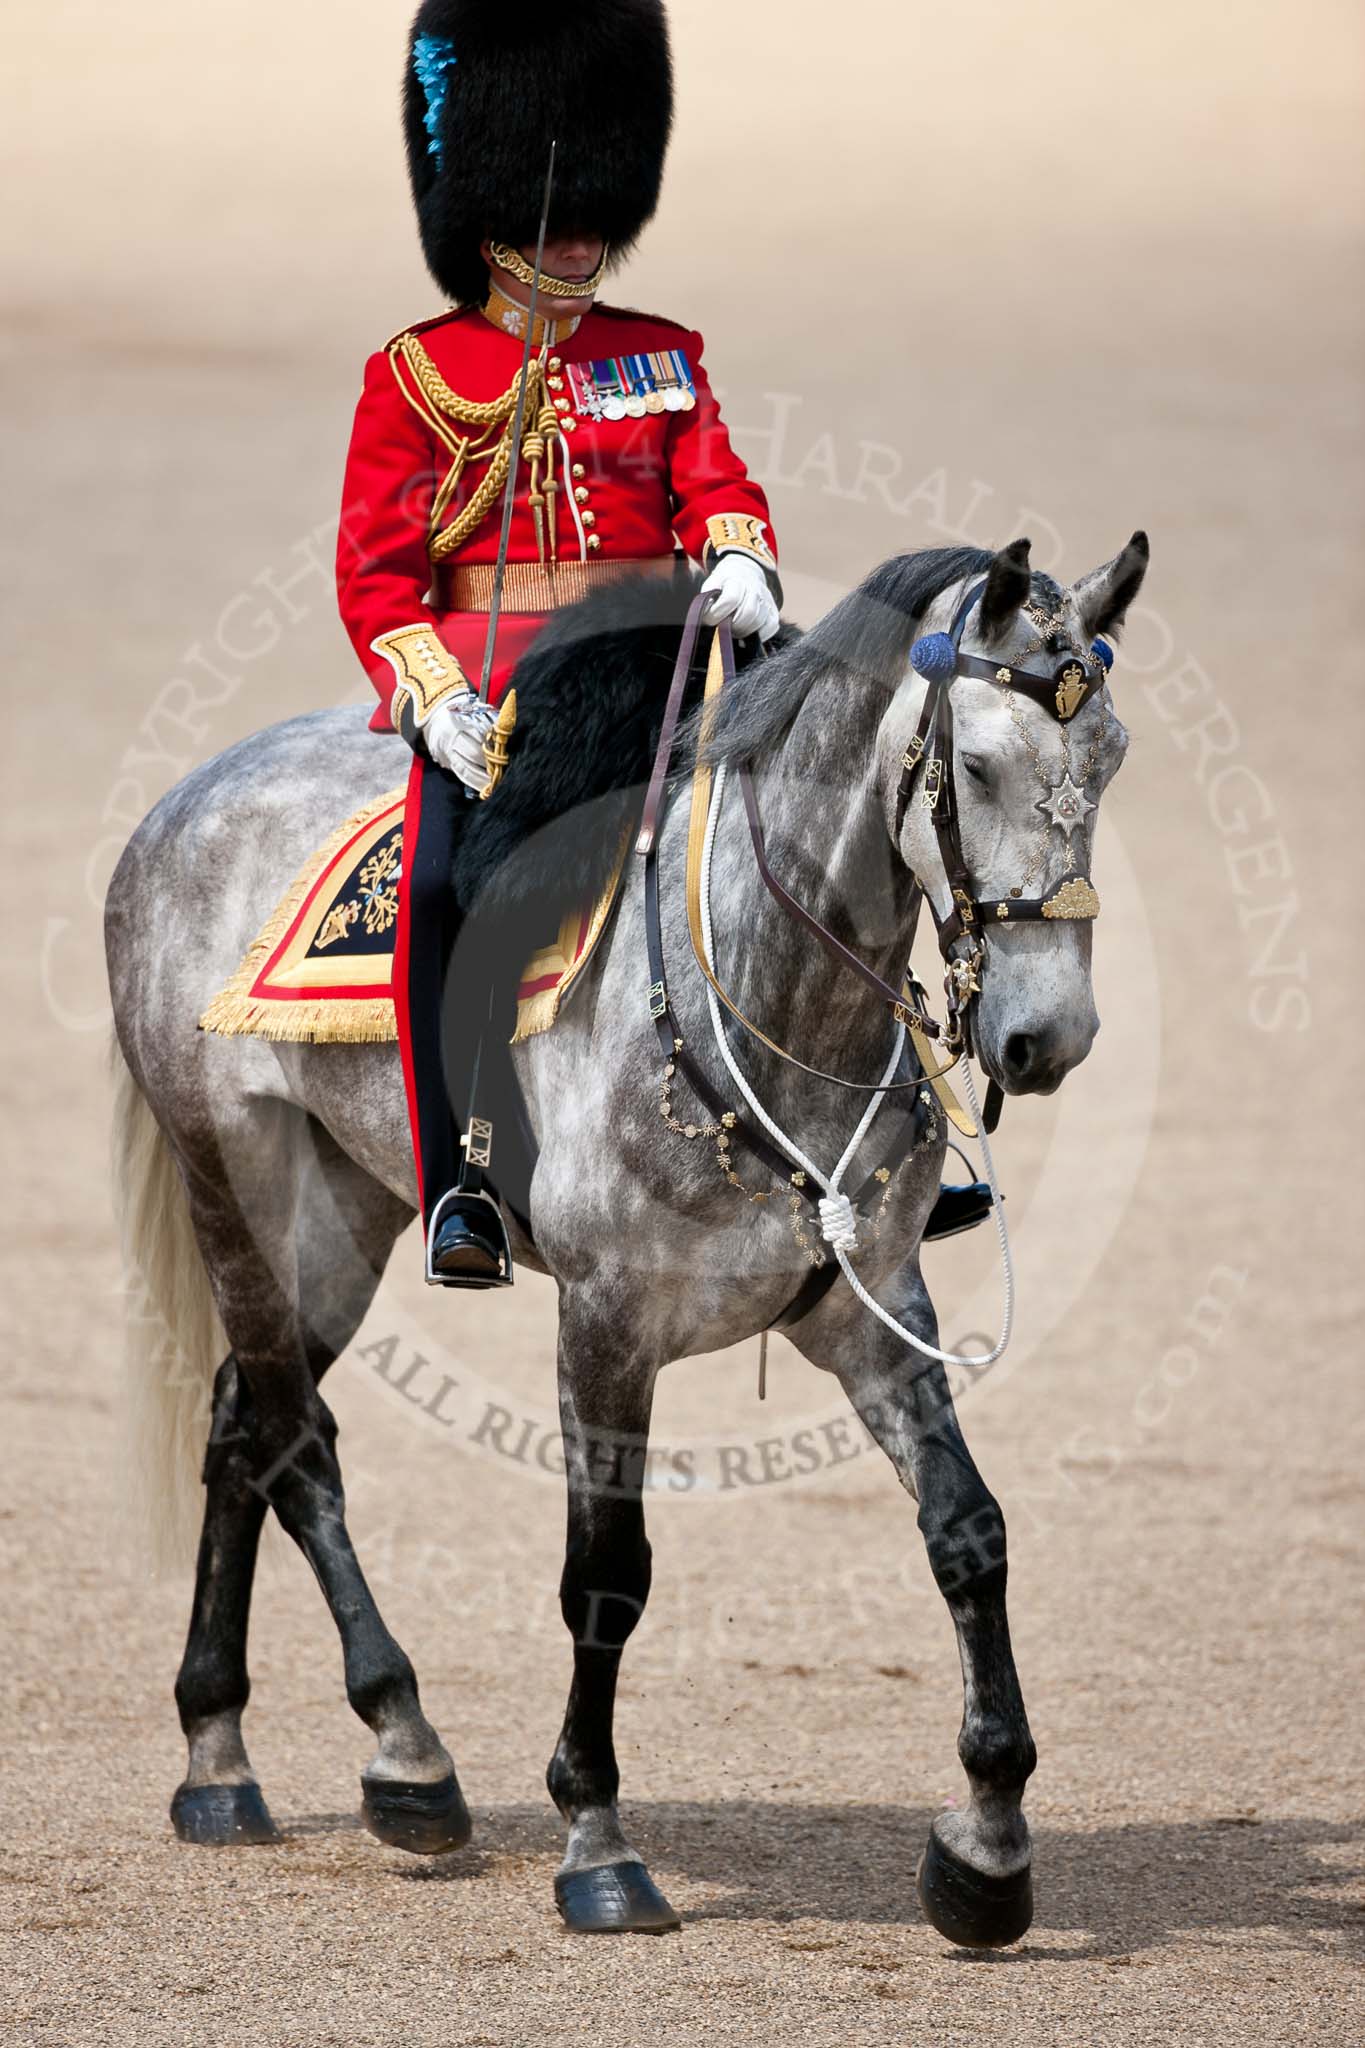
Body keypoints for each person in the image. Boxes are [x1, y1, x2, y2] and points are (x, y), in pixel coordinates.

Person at [336, 0, 782, 1286]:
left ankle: (900, 1129)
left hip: (655, 677)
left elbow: (713, 477)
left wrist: (742, 546)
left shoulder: (660, 356)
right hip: (500, 704)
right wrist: (430, 697)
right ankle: (465, 1179)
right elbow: (377, 577)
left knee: (832, 828)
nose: (582, 238)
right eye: (557, 217)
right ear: (487, 223)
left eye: (598, 214)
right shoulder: (418, 375)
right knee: (434, 903)